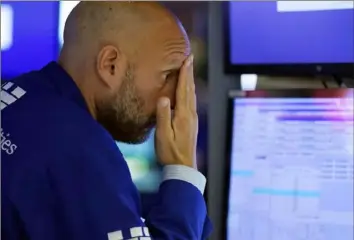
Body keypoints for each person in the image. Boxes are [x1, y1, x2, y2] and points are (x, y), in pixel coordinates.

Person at [1, 2, 212, 240]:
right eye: (169, 76)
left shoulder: (21, 96)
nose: (176, 100)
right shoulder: (80, 149)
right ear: (110, 64)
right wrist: (183, 170)